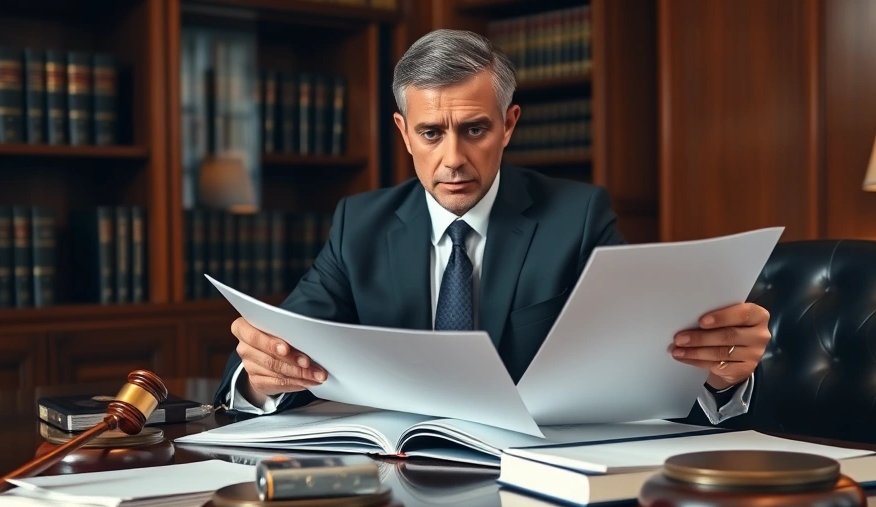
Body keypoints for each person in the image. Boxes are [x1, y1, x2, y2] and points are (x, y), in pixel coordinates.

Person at [213, 29, 771, 424]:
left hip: (532, 479)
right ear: (403, 133)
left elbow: (646, 366)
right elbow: (280, 349)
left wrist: (721, 375)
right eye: (432, 133)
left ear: (508, 125)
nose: (453, 158)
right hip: (398, 477)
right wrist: (260, 377)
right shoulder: (357, 225)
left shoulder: (577, 218)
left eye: (475, 129)